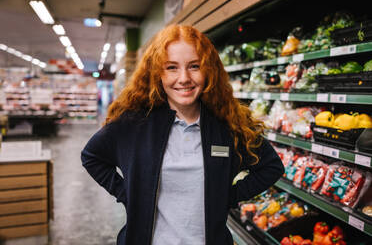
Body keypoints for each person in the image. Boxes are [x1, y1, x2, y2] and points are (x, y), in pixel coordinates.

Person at [81, 24, 284, 245]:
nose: (184, 78)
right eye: (172, 67)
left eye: (194, 66)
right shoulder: (134, 123)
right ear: (158, 72)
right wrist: (127, 194)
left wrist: (226, 196)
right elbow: (92, 156)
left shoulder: (228, 124)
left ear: (208, 70)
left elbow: (271, 167)